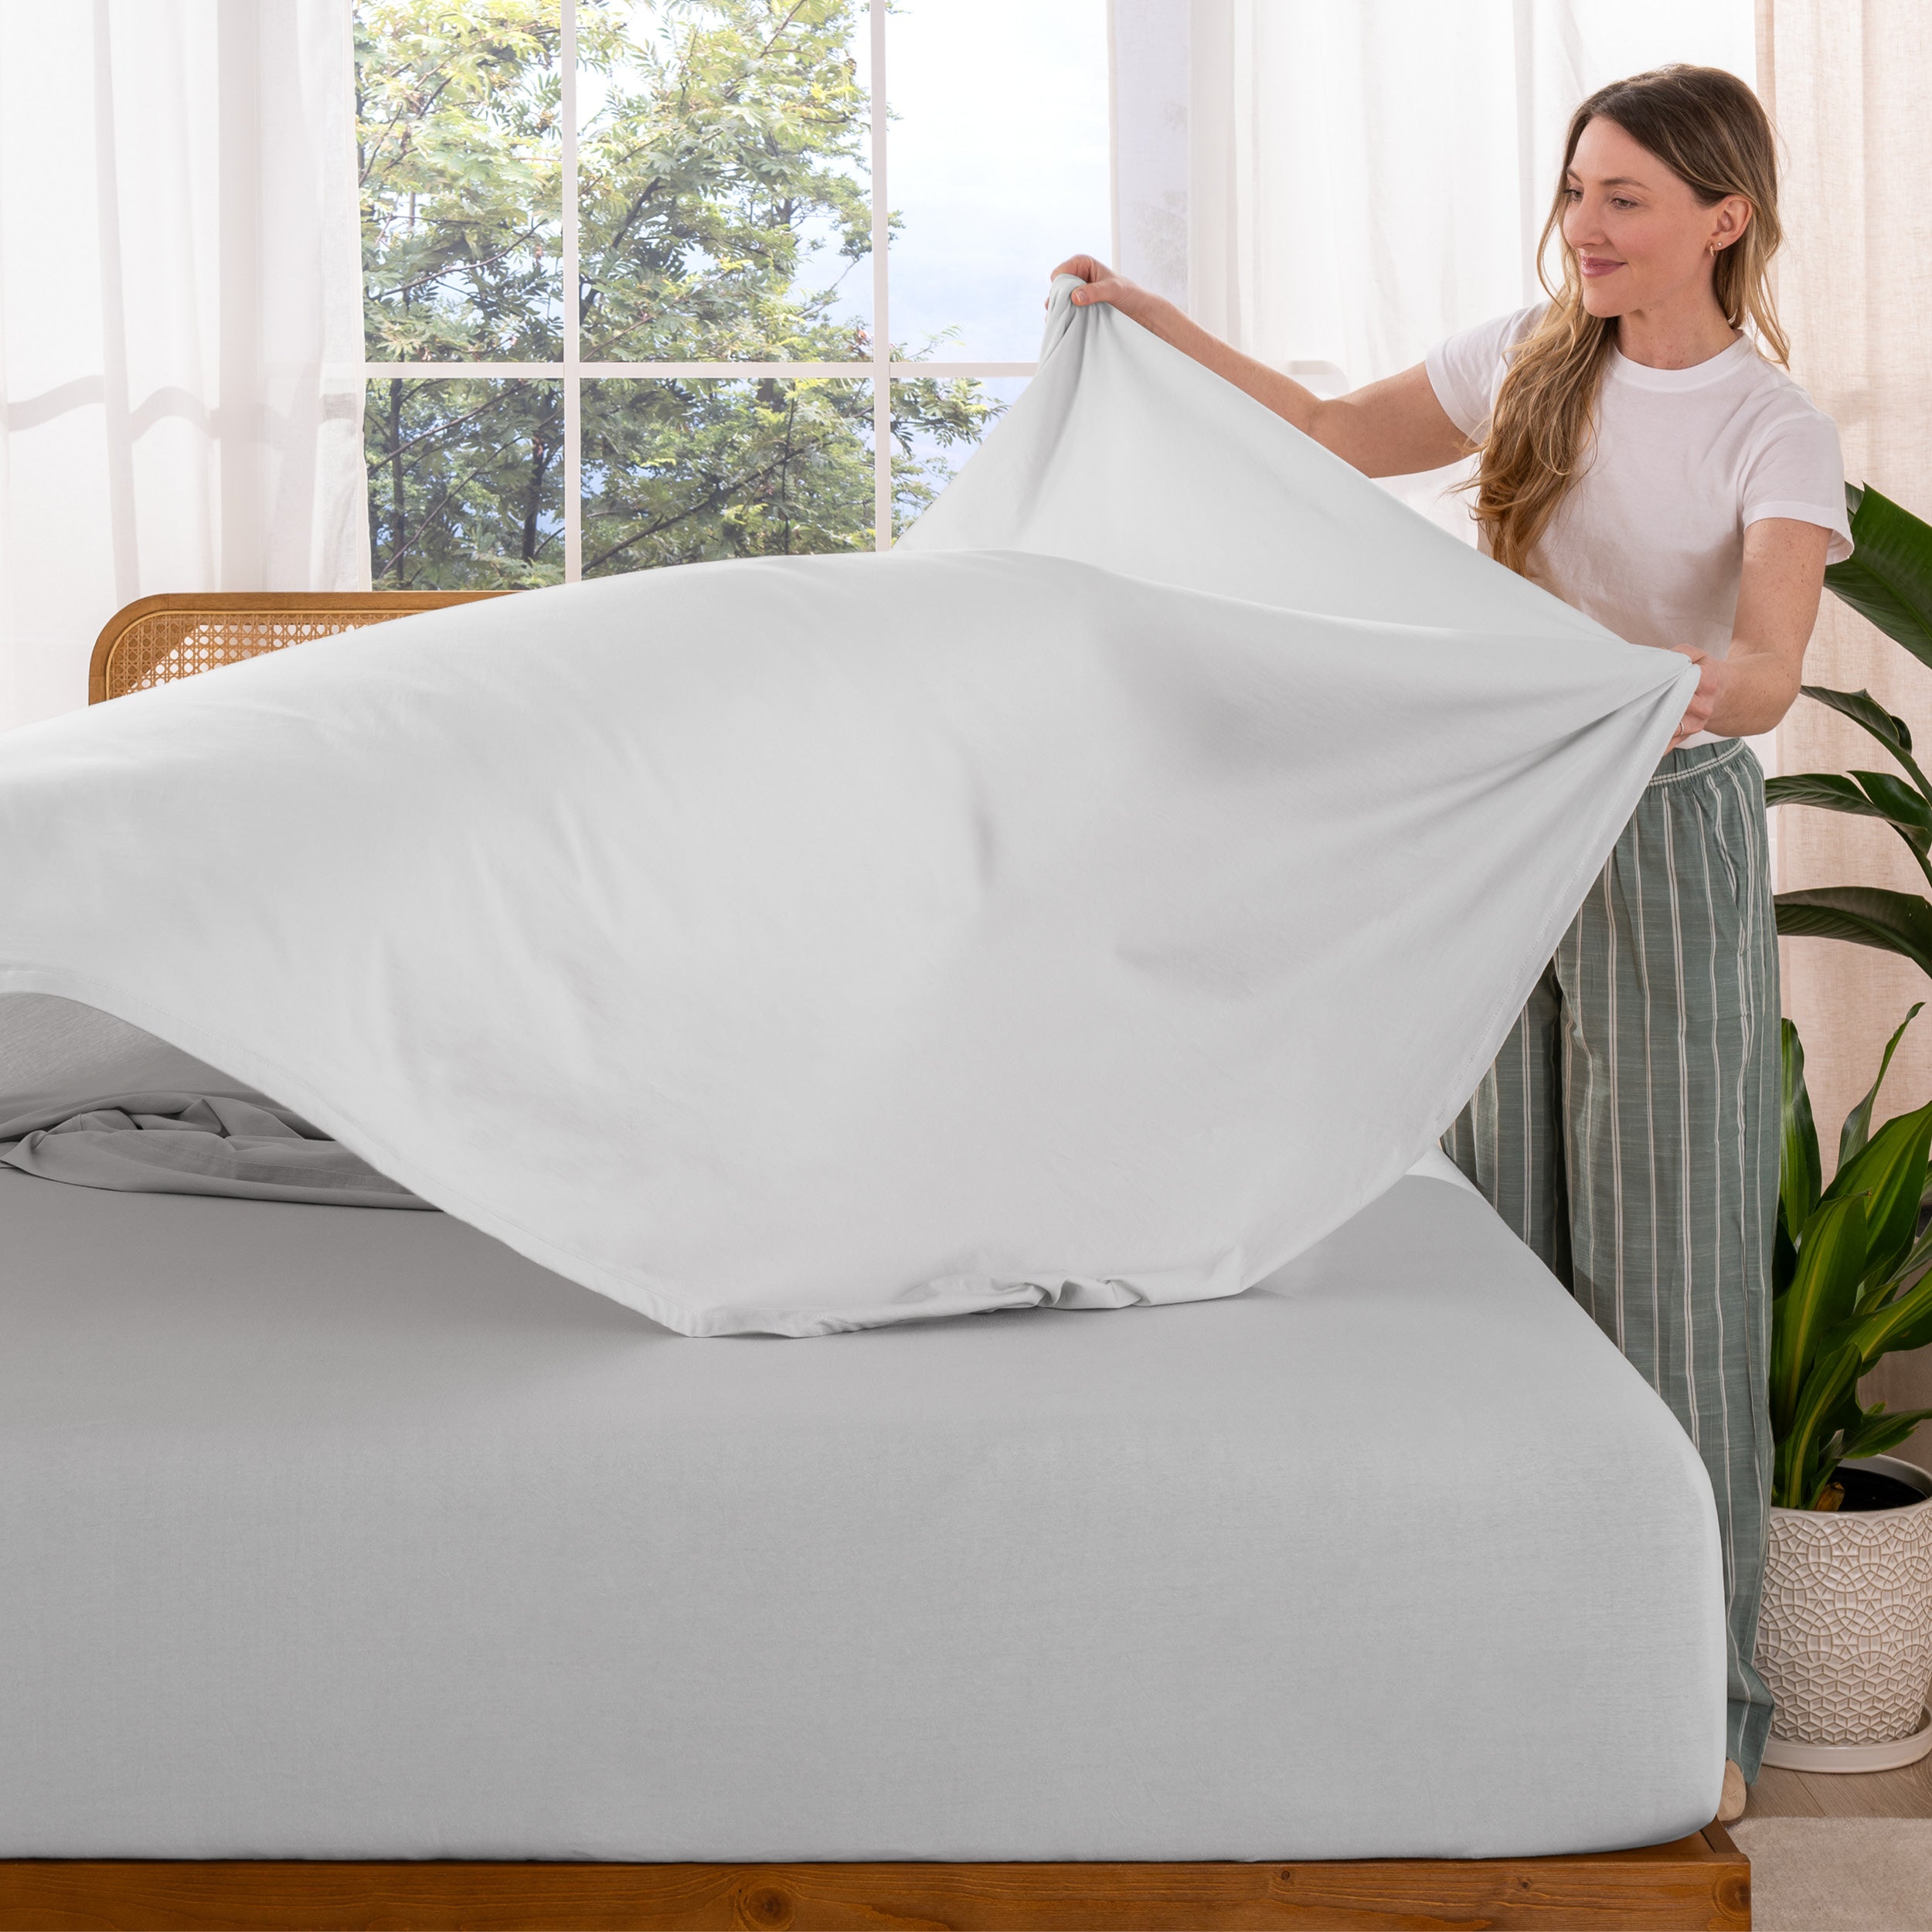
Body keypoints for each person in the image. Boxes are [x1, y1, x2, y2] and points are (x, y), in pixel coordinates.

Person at [1054, 64, 1852, 1824]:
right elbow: (1331, 439)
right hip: (1495, 819)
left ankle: (1700, 1693)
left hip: (1655, 825)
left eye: (1624, 196)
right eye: (1575, 189)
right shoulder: (1524, 354)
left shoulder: (1767, 424)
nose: (1583, 222)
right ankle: (1516, 1660)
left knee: (1666, 1282)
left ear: (1721, 217)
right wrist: (1149, 321)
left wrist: (1616, 692)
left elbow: (1766, 672)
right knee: (1503, 1265)